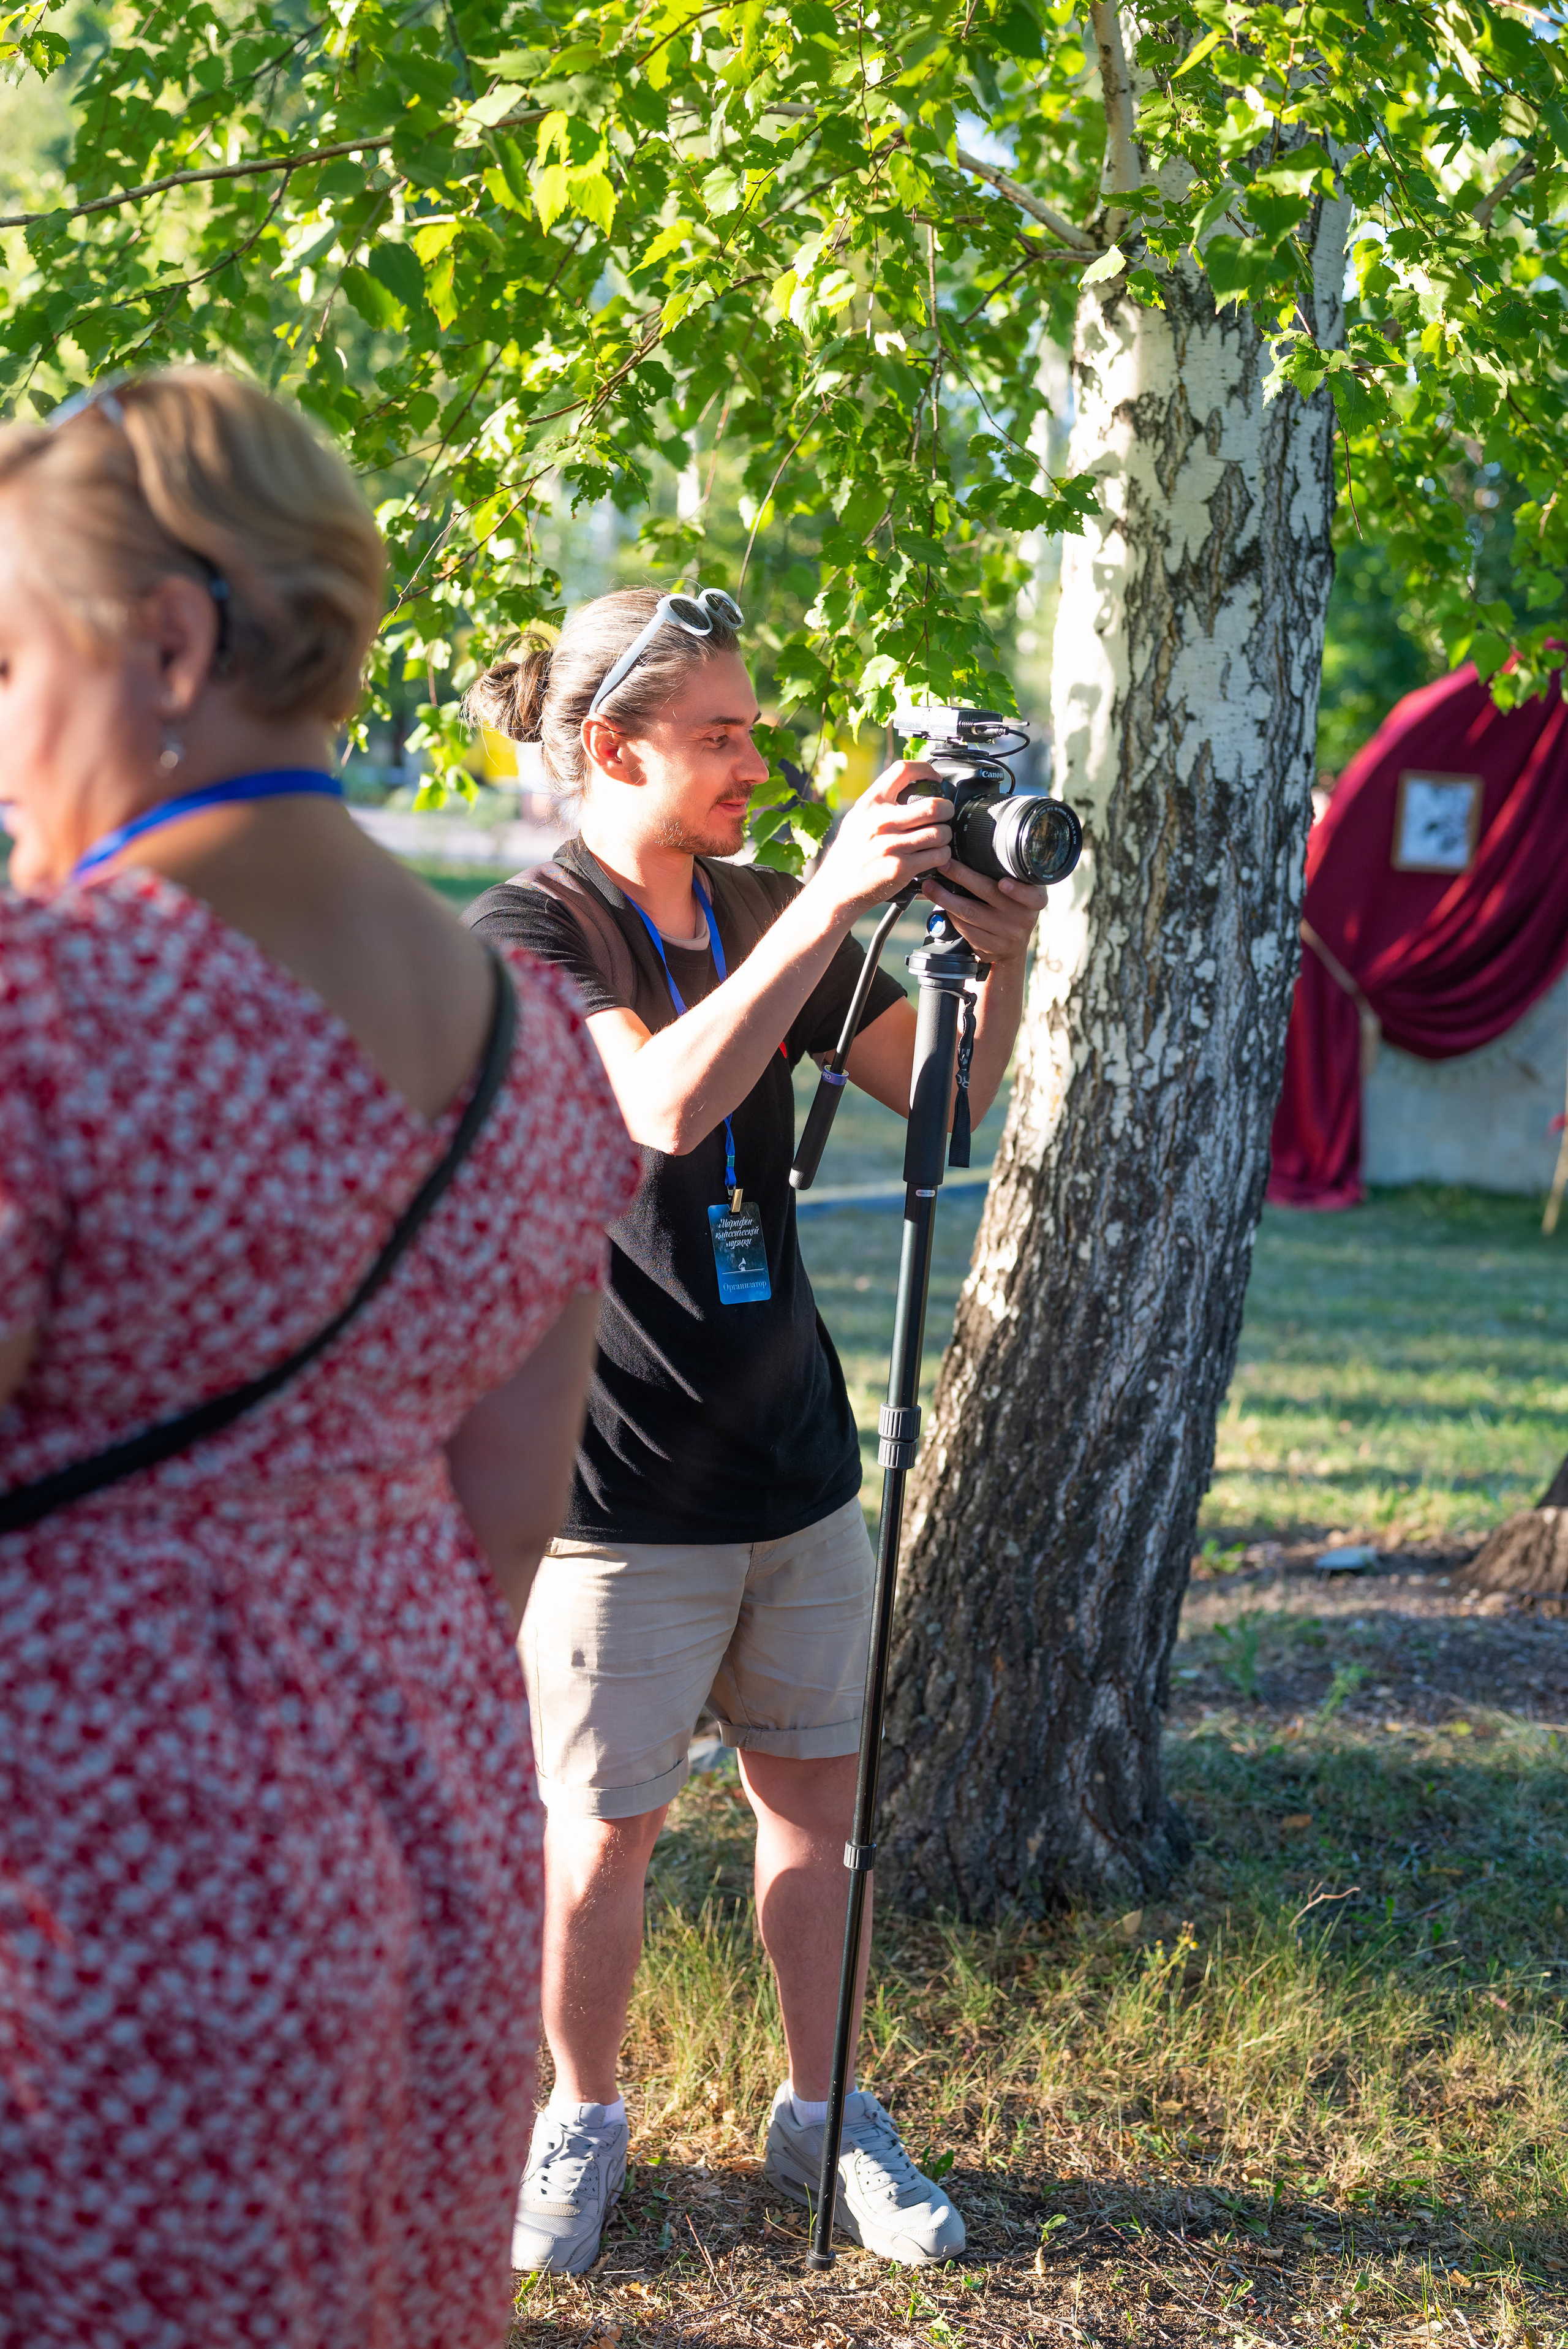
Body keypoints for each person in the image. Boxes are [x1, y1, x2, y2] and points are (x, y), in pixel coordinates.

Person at [0, 370, 639, 2348]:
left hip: (85, 1868)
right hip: (422, 1827)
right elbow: (504, 1538)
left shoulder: (49, 1001)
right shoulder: (538, 1045)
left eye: (13, 656)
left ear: (169, 642)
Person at [464, 585, 1049, 2272]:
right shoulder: (530, 927)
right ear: (610, 747)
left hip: (794, 1459)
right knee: (603, 1839)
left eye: (753, 727)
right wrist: (828, 913)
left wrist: (988, 955)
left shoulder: (758, 902)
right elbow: (652, 1105)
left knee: (822, 1818)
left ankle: (829, 2110)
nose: (756, 762)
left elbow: (943, 1096)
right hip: (617, 1477)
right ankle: (580, 2116)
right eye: (720, 735)